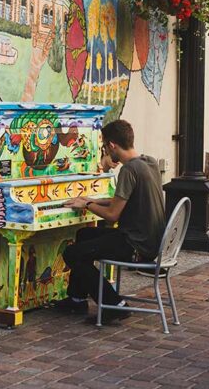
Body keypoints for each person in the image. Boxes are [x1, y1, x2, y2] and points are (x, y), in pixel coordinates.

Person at [54, 119, 166, 323]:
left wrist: (86, 206)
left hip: (135, 245)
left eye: (105, 146)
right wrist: (93, 200)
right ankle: (76, 299)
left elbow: (113, 215)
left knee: (72, 254)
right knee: (83, 235)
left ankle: (114, 305)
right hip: (149, 239)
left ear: (112, 145)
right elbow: (122, 199)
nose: (106, 151)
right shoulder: (148, 162)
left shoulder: (128, 170)